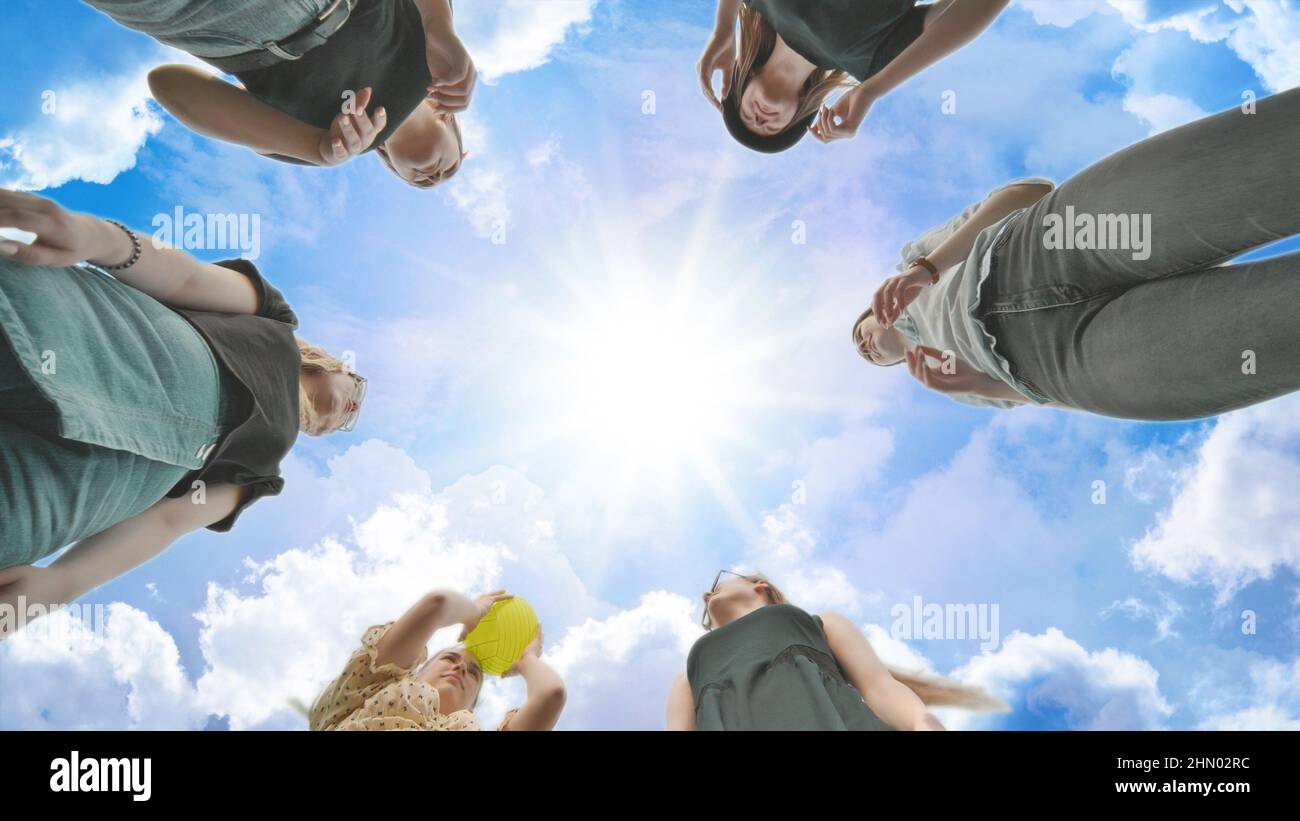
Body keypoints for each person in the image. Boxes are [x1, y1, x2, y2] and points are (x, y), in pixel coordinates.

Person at [0, 188, 365, 638]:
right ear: (337, 365)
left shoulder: (263, 473)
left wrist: (61, 584)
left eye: (347, 422)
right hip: (98, 341)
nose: (350, 409)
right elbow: (186, 279)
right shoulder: (275, 321)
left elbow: (168, 520)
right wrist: (96, 238)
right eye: (357, 392)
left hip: (92, 480)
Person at [852, 87, 1300, 421]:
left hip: (1047, 247)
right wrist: (980, 385)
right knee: (1275, 326)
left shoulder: (916, 260)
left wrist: (926, 270)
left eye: (860, 334)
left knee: (1253, 169)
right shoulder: (946, 383)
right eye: (868, 356)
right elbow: (1032, 397)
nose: (865, 347)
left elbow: (1027, 192)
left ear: (872, 309)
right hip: (1063, 362)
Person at [82, 0, 474, 187]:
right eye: (452, 168)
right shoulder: (434, 58)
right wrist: (440, 24)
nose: (435, 176)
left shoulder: (328, 148)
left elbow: (168, 84)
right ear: (451, 123)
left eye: (422, 182)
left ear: (391, 165)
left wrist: (316, 148)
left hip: (202, 18)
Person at [667, 571, 1005, 730]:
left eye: (717, 583)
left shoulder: (818, 624)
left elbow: (878, 686)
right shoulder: (689, 675)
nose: (706, 596)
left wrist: (922, 722)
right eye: (704, 600)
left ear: (761, 585)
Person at [697, 0, 1008, 152]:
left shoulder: (763, 4)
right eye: (772, 129)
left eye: (747, 120)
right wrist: (873, 89)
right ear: (800, 113)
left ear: (743, 82)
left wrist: (724, 28)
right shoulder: (871, 63)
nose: (761, 122)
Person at [309, 589, 566, 731]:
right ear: (416, 672)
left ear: (471, 708)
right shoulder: (374, 685)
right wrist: (474, 612)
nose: (461, 667)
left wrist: (525, 658)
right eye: (449, 658)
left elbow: (551, 696)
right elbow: (438, 604)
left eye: (474, 673)